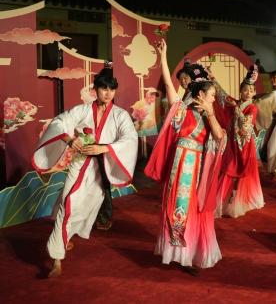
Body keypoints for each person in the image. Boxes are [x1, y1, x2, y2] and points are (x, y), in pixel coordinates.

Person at [33, 64, 138, 278]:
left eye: (112, 89)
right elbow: (59, 122)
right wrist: (70, 139)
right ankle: (57, 259)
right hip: (80, 163)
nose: (108, 93)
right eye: (104, 88)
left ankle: (66, 236)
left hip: (102, 168)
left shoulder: (120, 115)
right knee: (67, 204)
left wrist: (104, 148)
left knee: (85, 208)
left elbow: (130, 138)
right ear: (95, 89)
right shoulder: (82, 110)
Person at [145, 39, 226, 275]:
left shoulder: (210, 116)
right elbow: (169, 87)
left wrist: (210, 114)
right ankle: (180, 254)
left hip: (198, 168)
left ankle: (190, 253)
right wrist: (163, 58)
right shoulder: (182, 110)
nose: (213, 99)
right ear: (200, 94)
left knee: (196, 209)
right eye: (211, 95)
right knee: (179, 207)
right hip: (180, 168)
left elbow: (220, 137)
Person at [211, 65, 264, 218]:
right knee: (228, 169)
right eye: (245, 90)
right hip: (232, 144)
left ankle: (239, 202)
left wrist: (236, 109)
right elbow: (222, 95)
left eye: (251, 90)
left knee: (241, 173)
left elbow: (246, 125)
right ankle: (224, 201)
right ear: (240, 91)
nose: (248, 93)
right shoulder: (235, 103)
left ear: (254, 93)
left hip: (245, 145)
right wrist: (213, 79)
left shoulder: (252, 108)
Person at [255, 66, 276, 180]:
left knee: (274, 147)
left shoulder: (275, 93)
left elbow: (261, 102)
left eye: (274, 78)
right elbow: (268, 96)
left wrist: (251, 101)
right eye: (271, 78)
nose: (272, 80)